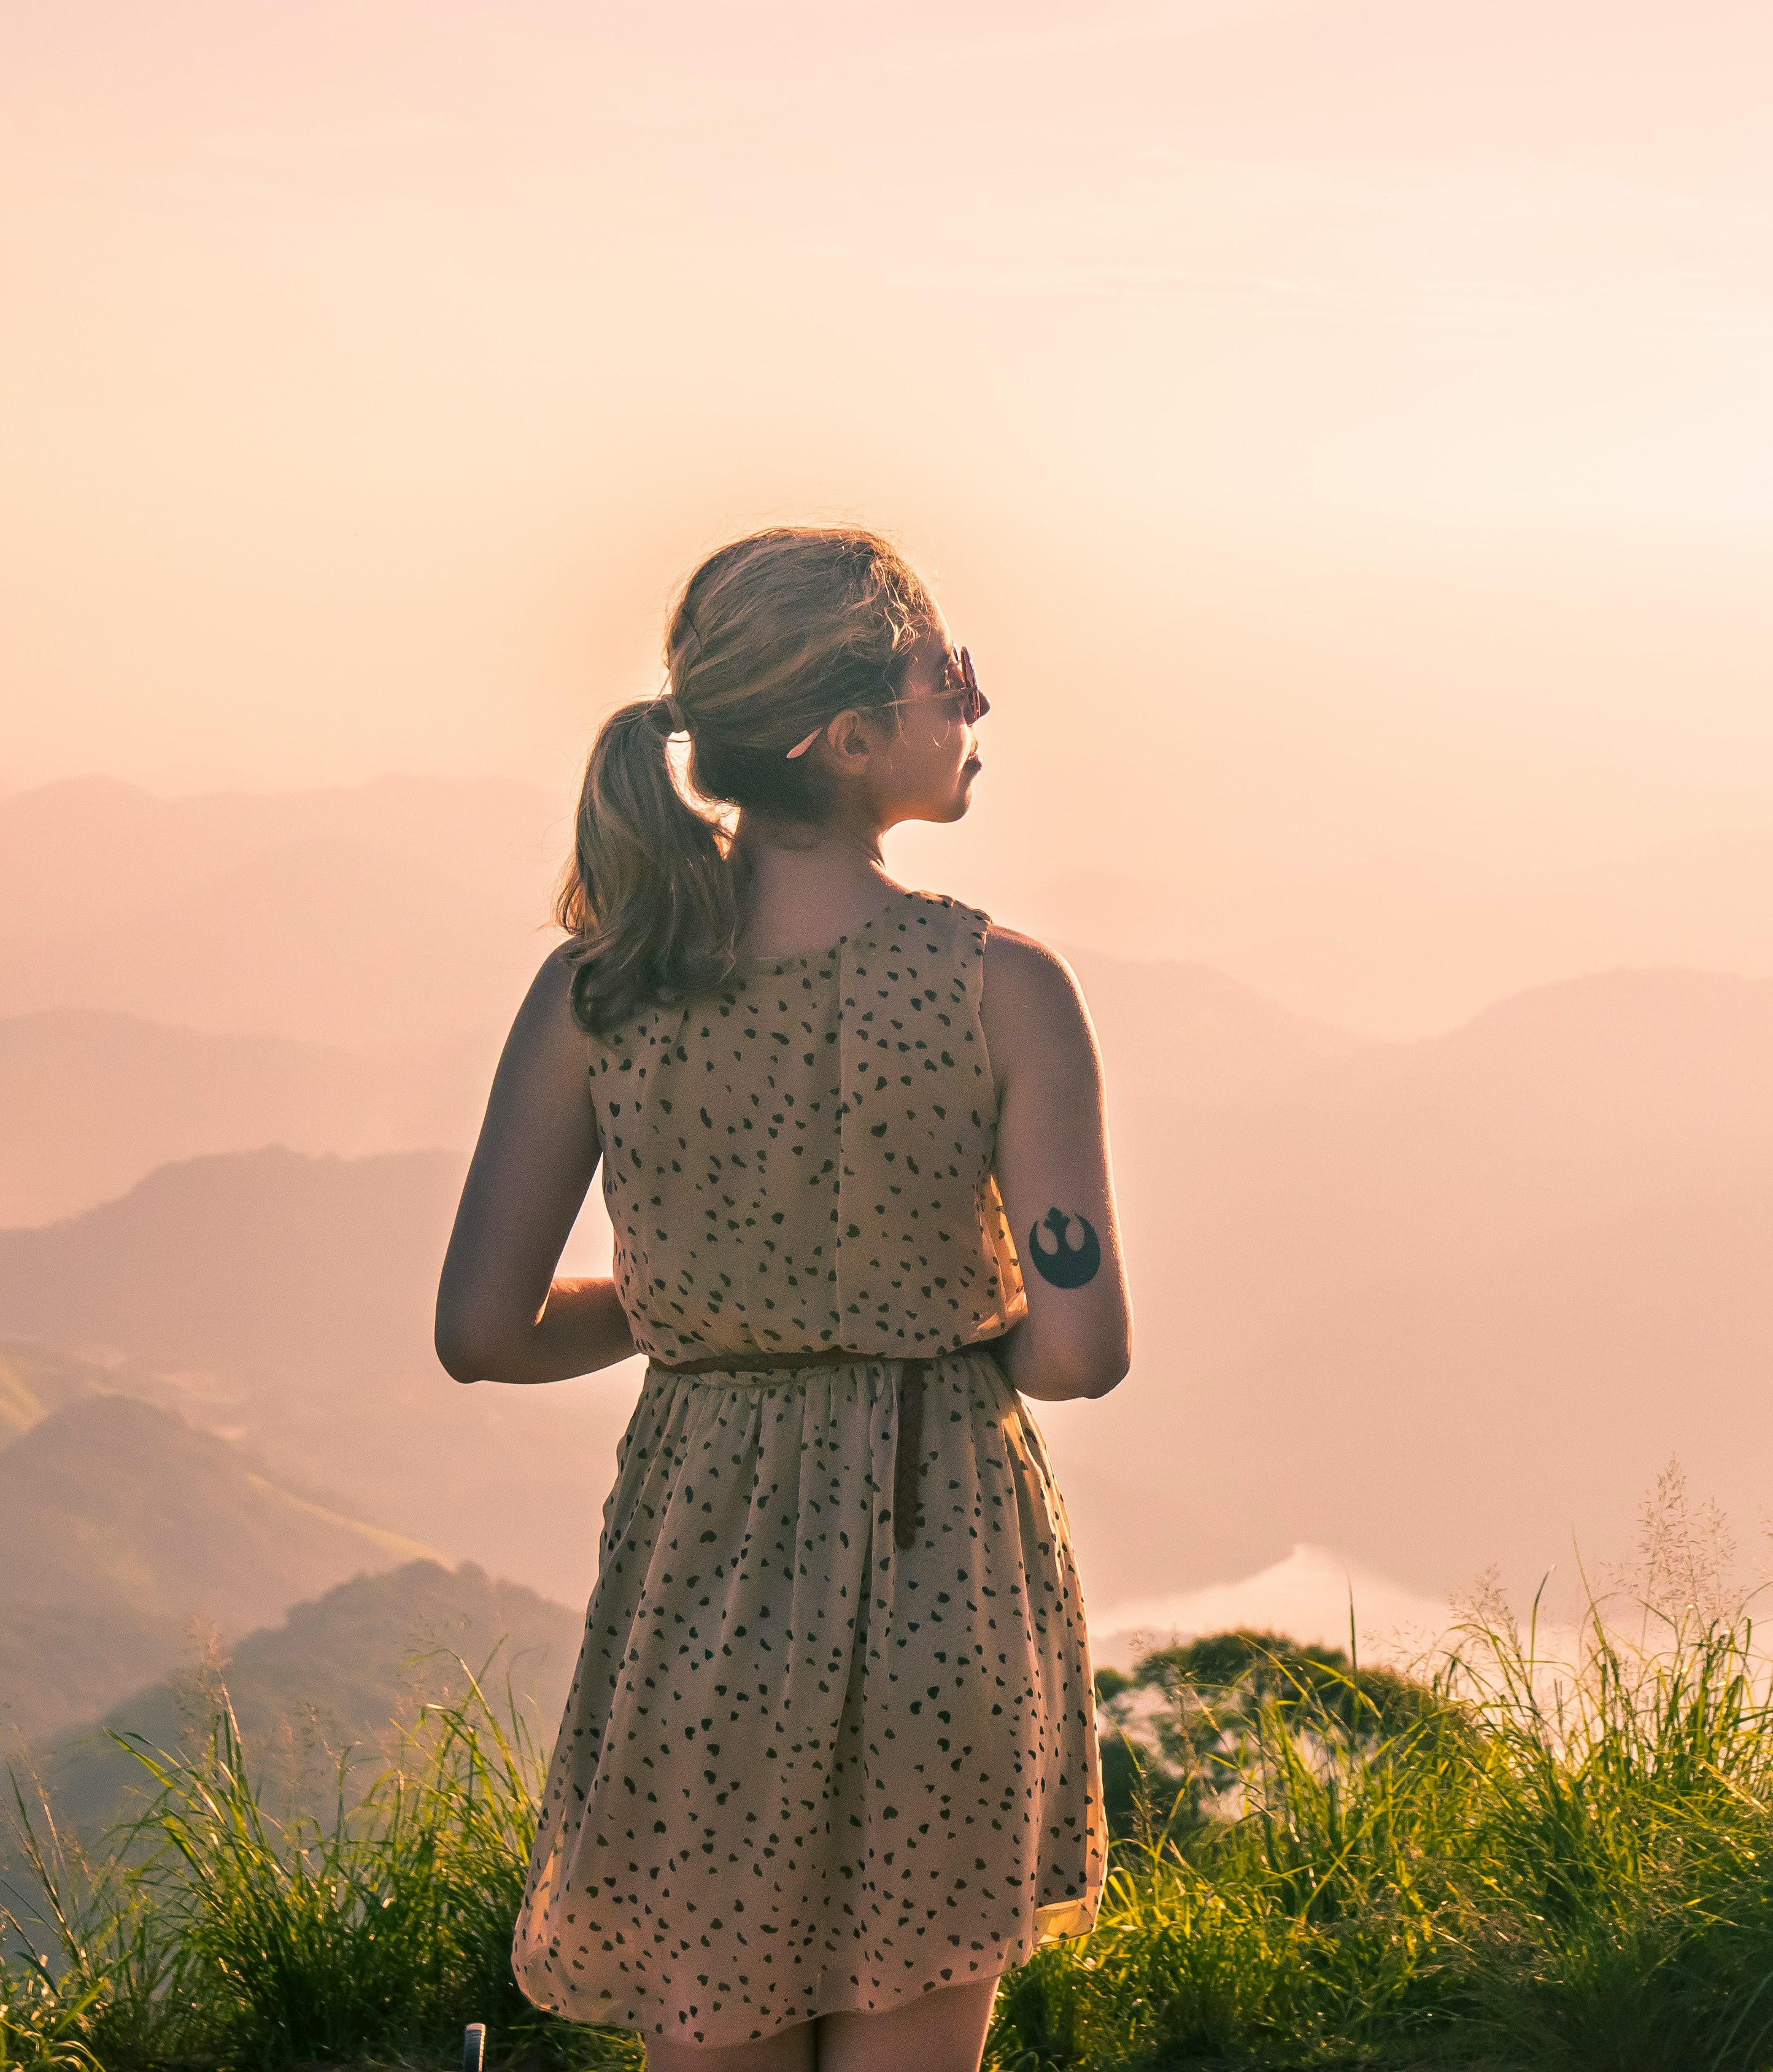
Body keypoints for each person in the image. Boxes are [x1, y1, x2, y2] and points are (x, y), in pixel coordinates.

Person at [433, 525, 1126, 2072]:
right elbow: (1080, 1351)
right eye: (950, 672)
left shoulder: (599, 992)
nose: (978, 701)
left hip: (708, 1571)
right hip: (943, 1543)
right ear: (849, 733)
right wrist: (918, 1308)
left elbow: (484, 1331)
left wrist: (698, 1306)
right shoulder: (1001, 986)